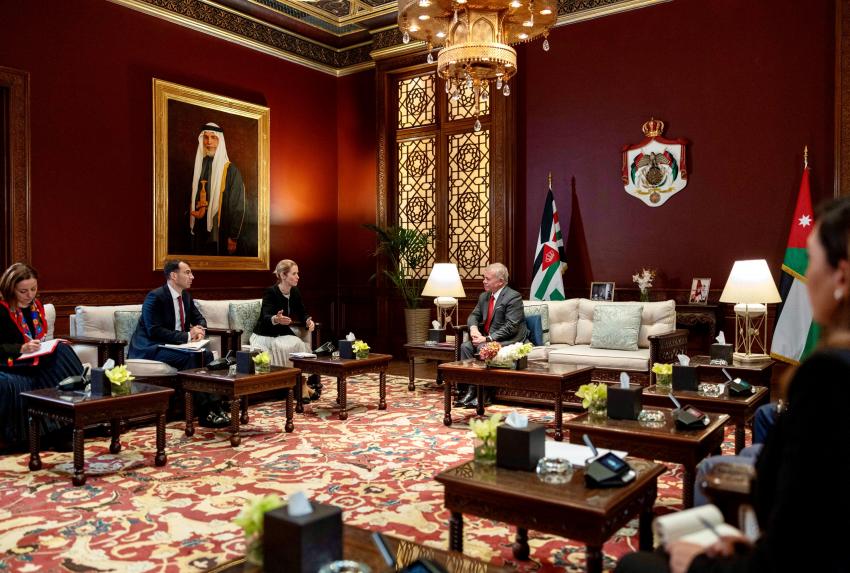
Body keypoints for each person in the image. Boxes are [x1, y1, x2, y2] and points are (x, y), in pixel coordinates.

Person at [615, 196, 850, 573]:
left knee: (634, 565)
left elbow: (796, 549)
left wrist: (699, 562)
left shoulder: (829, 377)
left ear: (841, 275)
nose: (805, 277)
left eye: (811, 259)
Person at [128, 260, 227, 427]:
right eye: (187, 272)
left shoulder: (186, 296)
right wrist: (187, 335)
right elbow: (154, 331)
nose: (192, 277)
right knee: (191, 358)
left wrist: (199, 330)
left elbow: (199, 318)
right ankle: (205, 412)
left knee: (207, 355)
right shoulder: (155, 297)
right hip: (152, 346)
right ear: (174, 275)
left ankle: (216, 406)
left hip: (176, 345)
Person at [0, 263, 83, 449]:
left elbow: (38, 336)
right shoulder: (1, 309)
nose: (30, 295)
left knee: (63, 351)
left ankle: (67, 426)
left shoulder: (35, 307)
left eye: (33, 289)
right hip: (10, 361)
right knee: (22, 380)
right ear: (10, 289)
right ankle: (47, 435)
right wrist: (20, 348)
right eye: (23, 291)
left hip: (33, 358)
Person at [456, 263, 528, 408]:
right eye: (484, 278)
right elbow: (473, 316)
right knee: (465, 347)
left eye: (487, 279)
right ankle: (469, 390)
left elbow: (511, 326)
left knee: (483, 348)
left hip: (508, 339)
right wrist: (474, 329)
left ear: (500, 281)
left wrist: (487, 338)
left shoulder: (513, 297)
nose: (484, 281)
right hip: (487, 338)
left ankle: (484, 394)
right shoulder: (484, 296)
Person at [250, 259, 318, 402]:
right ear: (283, 275)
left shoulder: (295, 291)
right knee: (285, 346)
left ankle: (301, 384)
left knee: (299, 345)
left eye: (297, 273)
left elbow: (302, 312)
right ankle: (298, 387)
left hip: (282, 333)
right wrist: (277, 319)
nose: (298, 277)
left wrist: (308, 321)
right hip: (265, 335)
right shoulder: (271, 292)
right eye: (294, 274)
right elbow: (266, 316)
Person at [189, 123, 246, 256]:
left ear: (220, 141)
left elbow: (237, 206)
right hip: (200, 229)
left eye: (213, 137)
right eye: (206, 137)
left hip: (220, 231)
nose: (209, 142)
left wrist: (233, 237)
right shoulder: (200, 166)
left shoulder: (231, 171)